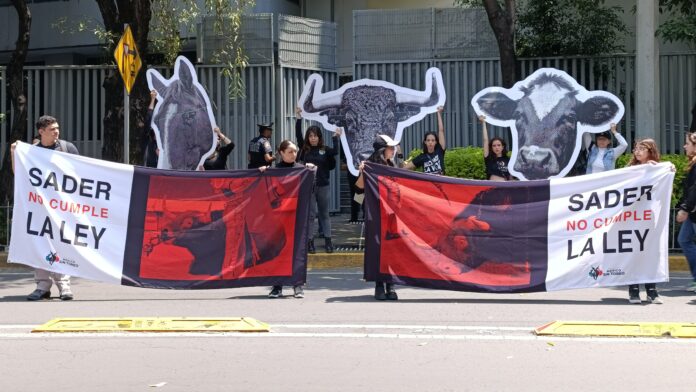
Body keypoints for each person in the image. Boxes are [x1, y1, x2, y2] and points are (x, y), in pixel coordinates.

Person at [10, 115, 79, 301]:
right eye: (52, 129)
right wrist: (14, 152)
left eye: (57, 128)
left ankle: (64, 285)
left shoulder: (67, 148)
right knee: (40, 245)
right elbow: (20, 175)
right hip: (39, 208)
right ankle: (42, 286)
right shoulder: (32, 152)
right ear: (41, 132)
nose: (56, 131)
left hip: (62, 208)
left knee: (61, 245)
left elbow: (80, 174)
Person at [260, 140, 314, 299]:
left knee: (297, 251)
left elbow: (311, 190)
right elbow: (265, 190)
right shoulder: (274, 171)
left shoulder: (301, 169)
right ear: (281, 153)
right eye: (290, 152)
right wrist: (262, 172)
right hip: (279, 219)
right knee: (279, 252)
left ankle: (298, 286)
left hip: (297, 217)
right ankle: (277, 286)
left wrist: (311, 172)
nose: (294, 155)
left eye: (295, 152)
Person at [355, 134, 400, 301]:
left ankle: (391, 284)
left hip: (392, 215)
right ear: (382, 150)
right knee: (377, 250)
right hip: (376, 215)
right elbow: (358, 190)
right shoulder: (370, 167)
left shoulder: (394, 165)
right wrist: (362, 172)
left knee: (392, 249)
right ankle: (379, 285)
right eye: (390, 147)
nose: (393, 150)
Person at [626, 138, 665, 304]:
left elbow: (668, 175)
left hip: (650, 219)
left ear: (650, 151)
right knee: (633, 254)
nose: (638, 151)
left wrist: (667, 168)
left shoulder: (658, 169)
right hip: (632, 219)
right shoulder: (629, 170)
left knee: (650, 254)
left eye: (642, 148)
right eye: (636, 149)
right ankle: (633, 290)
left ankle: (651, 290)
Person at [295, 107, 338, 253]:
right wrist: (299, 118)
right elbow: (298, 135)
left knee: (324, 214)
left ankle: (328, 241)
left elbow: (336, 152)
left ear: (319, 137)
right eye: (311, 136)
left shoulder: (325, 149)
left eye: (315, 136)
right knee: (310, 215)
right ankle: (310, 242)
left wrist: (335, 137)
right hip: (309, 187)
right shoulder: (304, 149)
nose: (313, 138)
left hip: (323, 185)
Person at [676, 132, 696, 292]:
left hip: (692, 210)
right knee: (684, 239)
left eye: (687, 143)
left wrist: (685, 208)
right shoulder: (692, 163)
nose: (684, 146)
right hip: (692, 211)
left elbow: (694, 189)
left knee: (685, 240)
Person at [403, 106, 446, 175]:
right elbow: (405, 168)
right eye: (428, 140)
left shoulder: (440, 150)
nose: (430, 142)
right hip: (428, 185)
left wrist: (438, 113)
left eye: (432, 140)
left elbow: (441, 131)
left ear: (436, 142)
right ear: (425, 142)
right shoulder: (422, 157)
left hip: (441, 184)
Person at [480, 115, 511, 181]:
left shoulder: (508, 160)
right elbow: (485, 140)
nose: (496, 147)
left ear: (503, 147)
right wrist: (483, 123)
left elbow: (510, 177)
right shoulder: (489, 158)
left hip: (505, 189)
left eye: (499, 145)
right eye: (494, 146)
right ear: (491, 147)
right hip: (492, 188)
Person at [142, 90, 160, 168]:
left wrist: (161, 156)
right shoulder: (148, 140)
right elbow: (148, 118)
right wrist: (153, 99)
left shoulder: (165, 145)